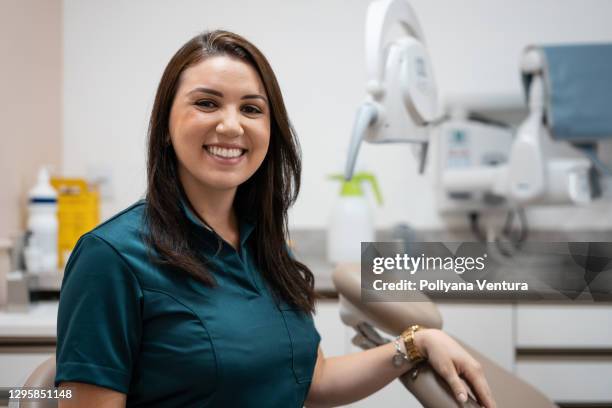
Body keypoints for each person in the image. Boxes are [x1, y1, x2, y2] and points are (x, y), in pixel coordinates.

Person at [55, 30, 495, 408]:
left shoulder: (267, 248)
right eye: (207, 103)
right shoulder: (111, 258)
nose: (231, 126)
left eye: (251, 108)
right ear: (166, 125)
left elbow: (313, 379)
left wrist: (415, 343)